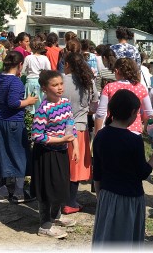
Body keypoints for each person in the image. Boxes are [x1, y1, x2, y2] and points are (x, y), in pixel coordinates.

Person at [92, 89, 153, 248]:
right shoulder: (134, 140)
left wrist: (100, 197)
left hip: (107, 195)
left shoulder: (101, 136)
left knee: (107, 239)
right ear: (132, 113)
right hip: (129, 200)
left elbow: (97, 173)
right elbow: (143, 173)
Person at [0, 51, 38, 203]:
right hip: (13, 122)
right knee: (19, 155)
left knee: (1, 154)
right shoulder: (15, 82)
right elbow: (13, 103)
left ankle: (2, 191)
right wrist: (29, 101)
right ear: (20, 65)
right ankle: (19, 192)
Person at [31, 70, 79, 239]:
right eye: (55, 85)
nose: (59, 88)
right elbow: (37, 136)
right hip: (46, 154)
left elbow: (70, 123)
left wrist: (75, 145)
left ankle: (56, 216)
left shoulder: (65, 102)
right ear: (44, 88)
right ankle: (45, 226)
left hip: (62, 152)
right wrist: (59, 140)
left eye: (61, 84)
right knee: (47, 189)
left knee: (60, 185)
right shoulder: (43, 110)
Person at [62, 53, 98, 215]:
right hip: (79, 128)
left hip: (59, 129)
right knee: (75, 168)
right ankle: (70, 202)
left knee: (60, 166)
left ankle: (59, 201)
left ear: (68, 65)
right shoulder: (89, 82)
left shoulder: (60, 79)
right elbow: (94, 106)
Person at [94, 58, 153, 136]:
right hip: (134, 131)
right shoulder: (140, 88)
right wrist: (145, 127)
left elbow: (100, 113)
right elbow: (149, 112)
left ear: (117, 71)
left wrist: (97, 133)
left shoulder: (109, 87)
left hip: (113, 130)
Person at [21, 38, 51, 114]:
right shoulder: (45, 58)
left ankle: (30, 119)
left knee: (30, 104)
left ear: (31, 47)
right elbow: (49, 71)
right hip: (41, 82)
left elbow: (23, 71)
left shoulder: (28, 58)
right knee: (41, 103)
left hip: (30, 82)